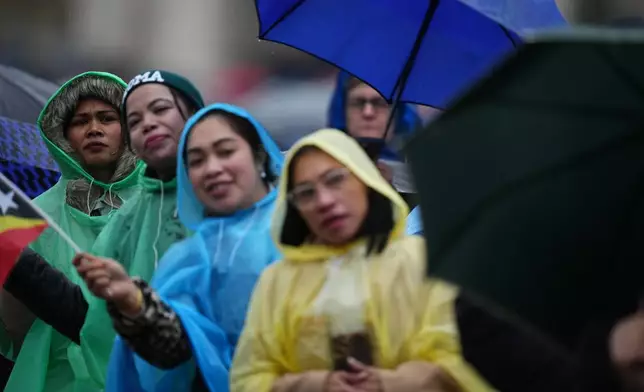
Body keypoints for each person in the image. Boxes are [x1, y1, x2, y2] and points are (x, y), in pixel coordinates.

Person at [230, 128, 491, 392]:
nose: (325, 201)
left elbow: (462, 360)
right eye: (306, 193)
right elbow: (248, 378)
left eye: (335, 180)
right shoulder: (278, 281)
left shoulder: (420, 260)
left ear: (365, 179)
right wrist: (314, 385)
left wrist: (390, 383)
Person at [75, 103, 284, 391]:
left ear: (258, 155)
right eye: (196, 161)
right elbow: (174, 350)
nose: (212, 169)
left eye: (226, 152)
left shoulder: (302, 226)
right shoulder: (187, 257)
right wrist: (133, 301)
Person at [0, 71, 142, 392]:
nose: (94, 129)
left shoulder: (158, 205)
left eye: (107, 118)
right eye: (80, 122)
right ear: (64, 136)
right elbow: (11, 327)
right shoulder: (35, 214)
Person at [77, 69, 206, 387]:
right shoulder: (126, 218)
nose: (148, 123)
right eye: (133, 122)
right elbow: (98, 324)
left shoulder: (226, 191)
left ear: (195, 115)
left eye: (161, 109)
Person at [328, 72, 421, 207]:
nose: (368, 113)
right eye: (358, 103)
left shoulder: (420, 179)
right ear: (342, 110)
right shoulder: (316, 164)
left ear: (398, 113)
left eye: (380, 103)